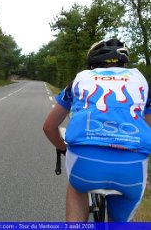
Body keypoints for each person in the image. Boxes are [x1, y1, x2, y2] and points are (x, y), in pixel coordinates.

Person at [43, 38, 151, 222]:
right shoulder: (141, 82)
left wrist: (63, 148)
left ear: (92, 65)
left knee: (76, 189)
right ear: (124, 64)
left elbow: (49, 127)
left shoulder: (79, 79)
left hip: (85, 163)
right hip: (131, 168)